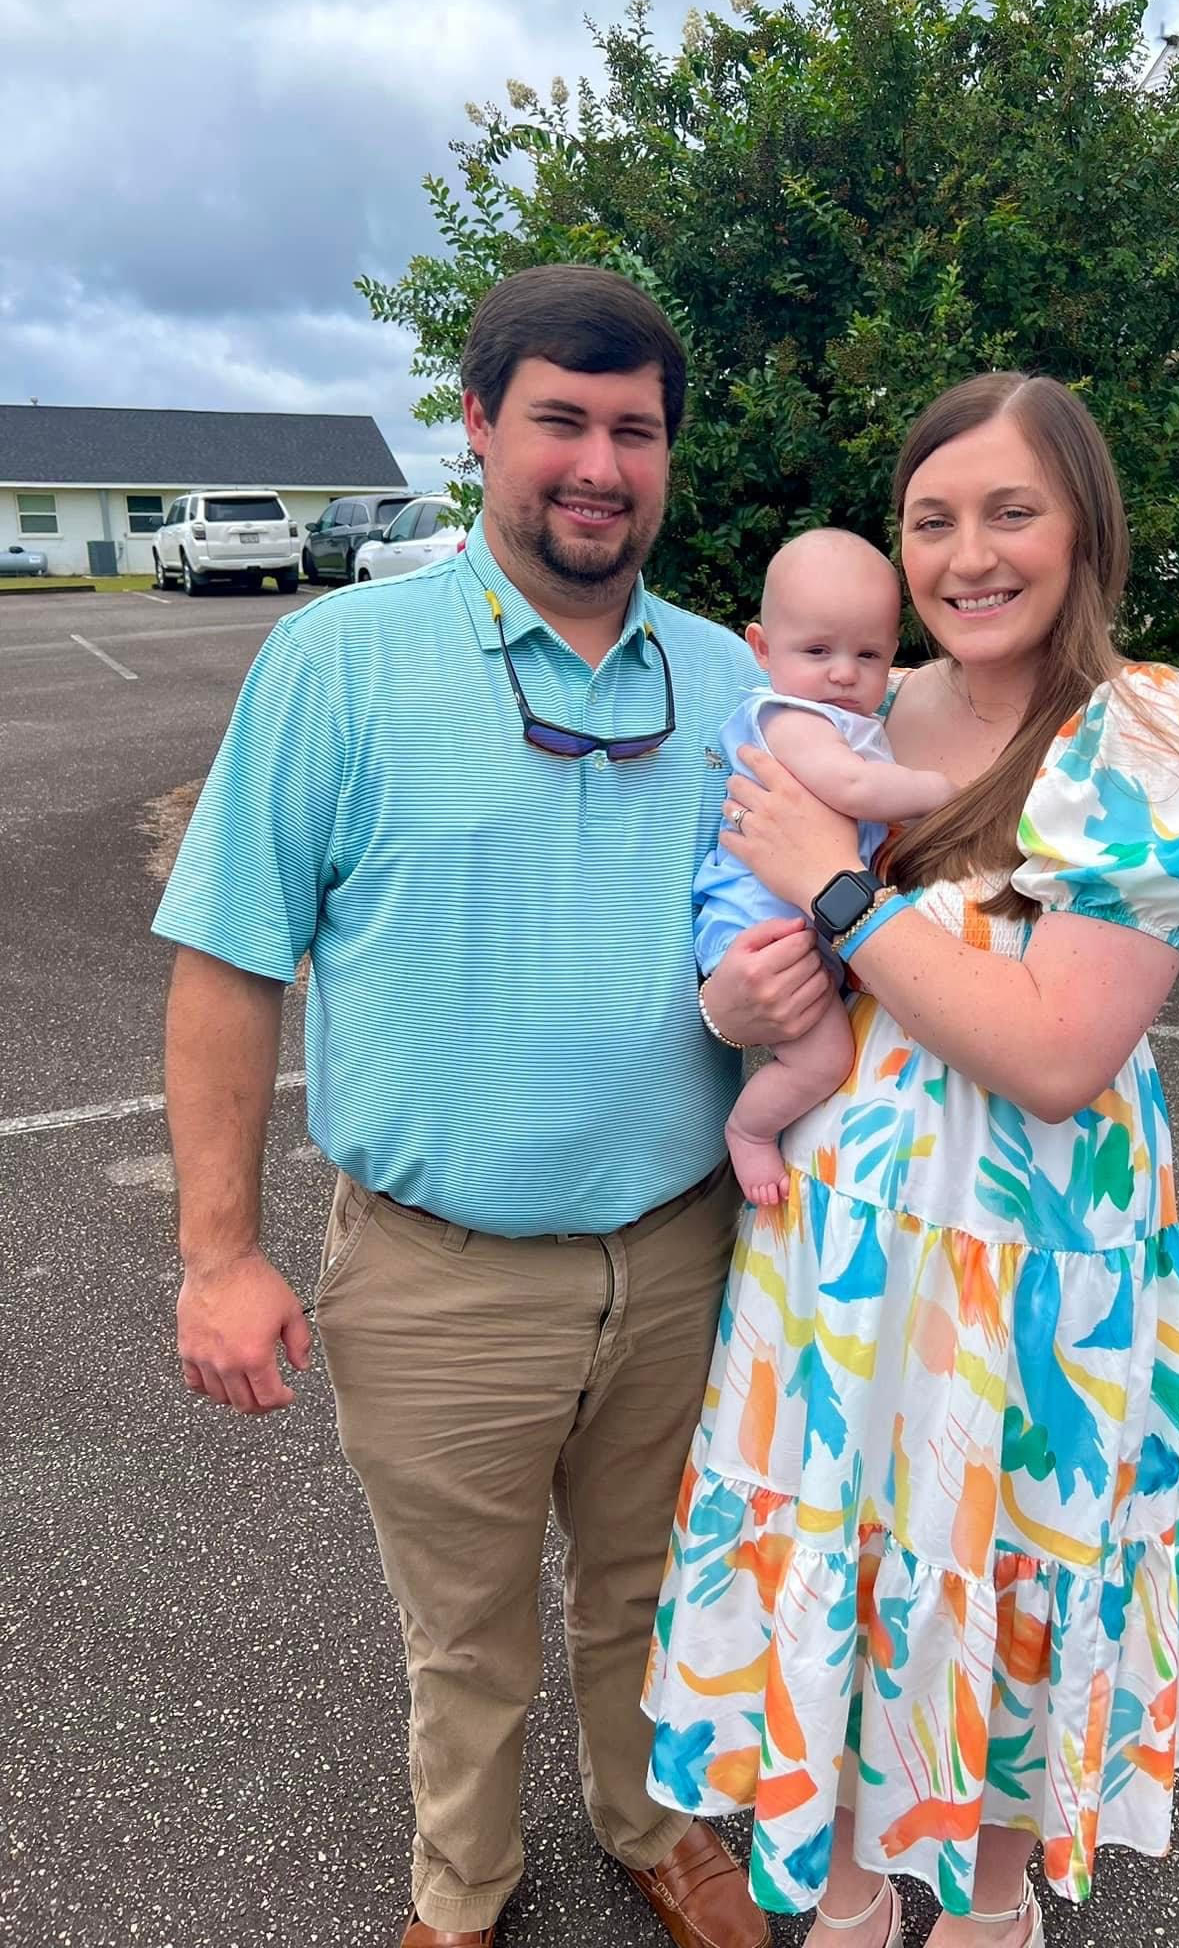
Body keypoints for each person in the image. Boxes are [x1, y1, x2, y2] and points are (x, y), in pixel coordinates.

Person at [154, 264, 829, 1948]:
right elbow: (229, 958)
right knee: (461, 1631)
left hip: (682, 1255)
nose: (599, 464)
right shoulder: (338, 662)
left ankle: (651, 1823)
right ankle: (462, 1885)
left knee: (649, 1588)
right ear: (477, 424)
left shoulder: (727, 681)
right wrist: (217, 1253)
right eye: (561, 421)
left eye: (635, 430)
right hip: (436, 1276)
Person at [642, 372, 1179, 1948]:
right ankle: (852, 1899)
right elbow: (744, 947)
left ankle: (994, 1911)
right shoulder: (861, 711)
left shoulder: (1150, 732)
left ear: (1085, 529)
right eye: (933, 519)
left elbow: (1058, 1056)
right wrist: (734, 1002)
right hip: (841, 1258)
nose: (968, 554)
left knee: (1002, 1573)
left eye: (1012, 512)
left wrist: (840, 889)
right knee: (851, 1569)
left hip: (1036, 1275)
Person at [694, 528, 954, 1205]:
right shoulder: (788, 716)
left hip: (804, 923)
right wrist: (948, 791)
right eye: (817, 651)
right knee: (824, 1058)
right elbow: (855, 789)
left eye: (867, 654)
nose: (843, 673)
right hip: (761, 931)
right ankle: (750, 1131)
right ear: (761, 649)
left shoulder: (853, 719)